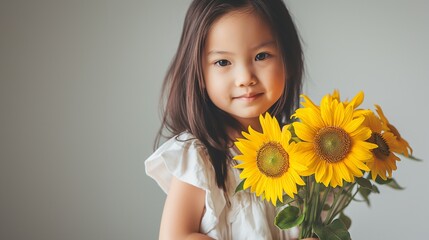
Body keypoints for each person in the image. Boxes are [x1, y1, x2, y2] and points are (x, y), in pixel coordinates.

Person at [145, 0, 304, 239]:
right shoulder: (200, 157)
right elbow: (176, 236)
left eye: (262, 56)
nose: (245, 78)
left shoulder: (303, 149)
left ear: (288, 60)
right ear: (199, 73)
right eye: (223, 62)